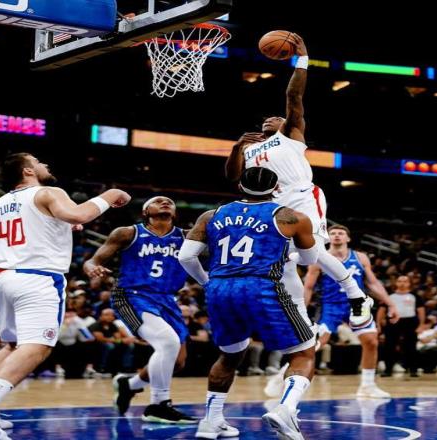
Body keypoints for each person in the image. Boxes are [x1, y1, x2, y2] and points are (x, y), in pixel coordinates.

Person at [0, 152, 130, 439]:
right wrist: (110, 195)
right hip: (37, 278)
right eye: (37, 162)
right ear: (27, 171)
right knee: (38, 346)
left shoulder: (1, 202)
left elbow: (40, 225)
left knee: (12, 345)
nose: (44, 164)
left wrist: (63, 224)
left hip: (3, 277)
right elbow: (79, 214)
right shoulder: (49, 192)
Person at [224, 33, 372, 327]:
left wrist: (302, 58)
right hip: (272, 205)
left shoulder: (289, 134)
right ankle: (302, 320)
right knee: (287, 261)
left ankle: (357, 295)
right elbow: (233, 177)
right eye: (266, 118)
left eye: (276, 117)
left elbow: (293, 98)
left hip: (302, 196)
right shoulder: (250, 148)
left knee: (307, 256)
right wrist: (236, 147)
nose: (270, 118)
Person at [179, 167, 319, 440]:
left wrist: (207, 282)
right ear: (276, 188)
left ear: (240, 187)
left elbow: (185, 257)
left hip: (220, 289)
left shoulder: (211, 215)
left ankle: (211, 421)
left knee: (230, 355)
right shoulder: (292, 217)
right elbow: (309, 259)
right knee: (303, 353)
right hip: (260, 286)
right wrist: (287, 253)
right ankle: (286, 410)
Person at [84, 196, 195, 424]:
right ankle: (158, 405)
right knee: (168, 343)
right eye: (158, 201)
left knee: (177, 361)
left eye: (169, 202)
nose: (165, 202)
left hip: (167, 299)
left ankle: (130, 384)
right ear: (146, 212)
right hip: (132, 295)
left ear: (175, 213)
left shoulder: (187, 237)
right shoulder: (128, 233)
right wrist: (92, 268)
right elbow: (93, 261)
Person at [303, 224, 400, 398]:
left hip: (357, 304)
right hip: (330, 306)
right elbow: (308, 287)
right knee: (317, 344)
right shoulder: (319, 258)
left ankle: (367, 386)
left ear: (348, 238)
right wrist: (301, 311)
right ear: (327, 238)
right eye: (333, 233)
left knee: (371, 341)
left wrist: (390, 303)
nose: (337, 235)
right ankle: (287, 375)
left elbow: (372, 283)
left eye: (341, 233)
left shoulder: (360, 257)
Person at [377, 275, 425, 377]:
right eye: (400, 281)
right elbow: (382, 310)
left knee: (411, 347)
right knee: (389, 346)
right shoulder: (389, 296)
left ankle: (413, 370)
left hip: (410, 322)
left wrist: (421, 325)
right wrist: (378, 324)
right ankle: (388, 370)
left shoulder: (415, 296)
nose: (402, 283)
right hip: (393, 322)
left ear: (409, 283)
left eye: (405, 281)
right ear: (396, 283)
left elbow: (421, 311)